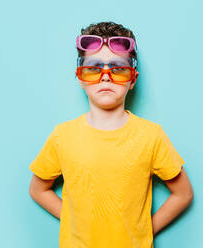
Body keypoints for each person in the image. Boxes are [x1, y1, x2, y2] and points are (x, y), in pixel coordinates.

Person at [28, 21, 194, 248]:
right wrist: (72, 221)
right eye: (94, 68)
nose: (105, 77)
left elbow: (183, 193)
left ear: (133, 79)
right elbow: (37, 189)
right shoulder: (62, 136)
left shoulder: (151, 135)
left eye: (118, 68)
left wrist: (144, 230)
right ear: (80, 78)